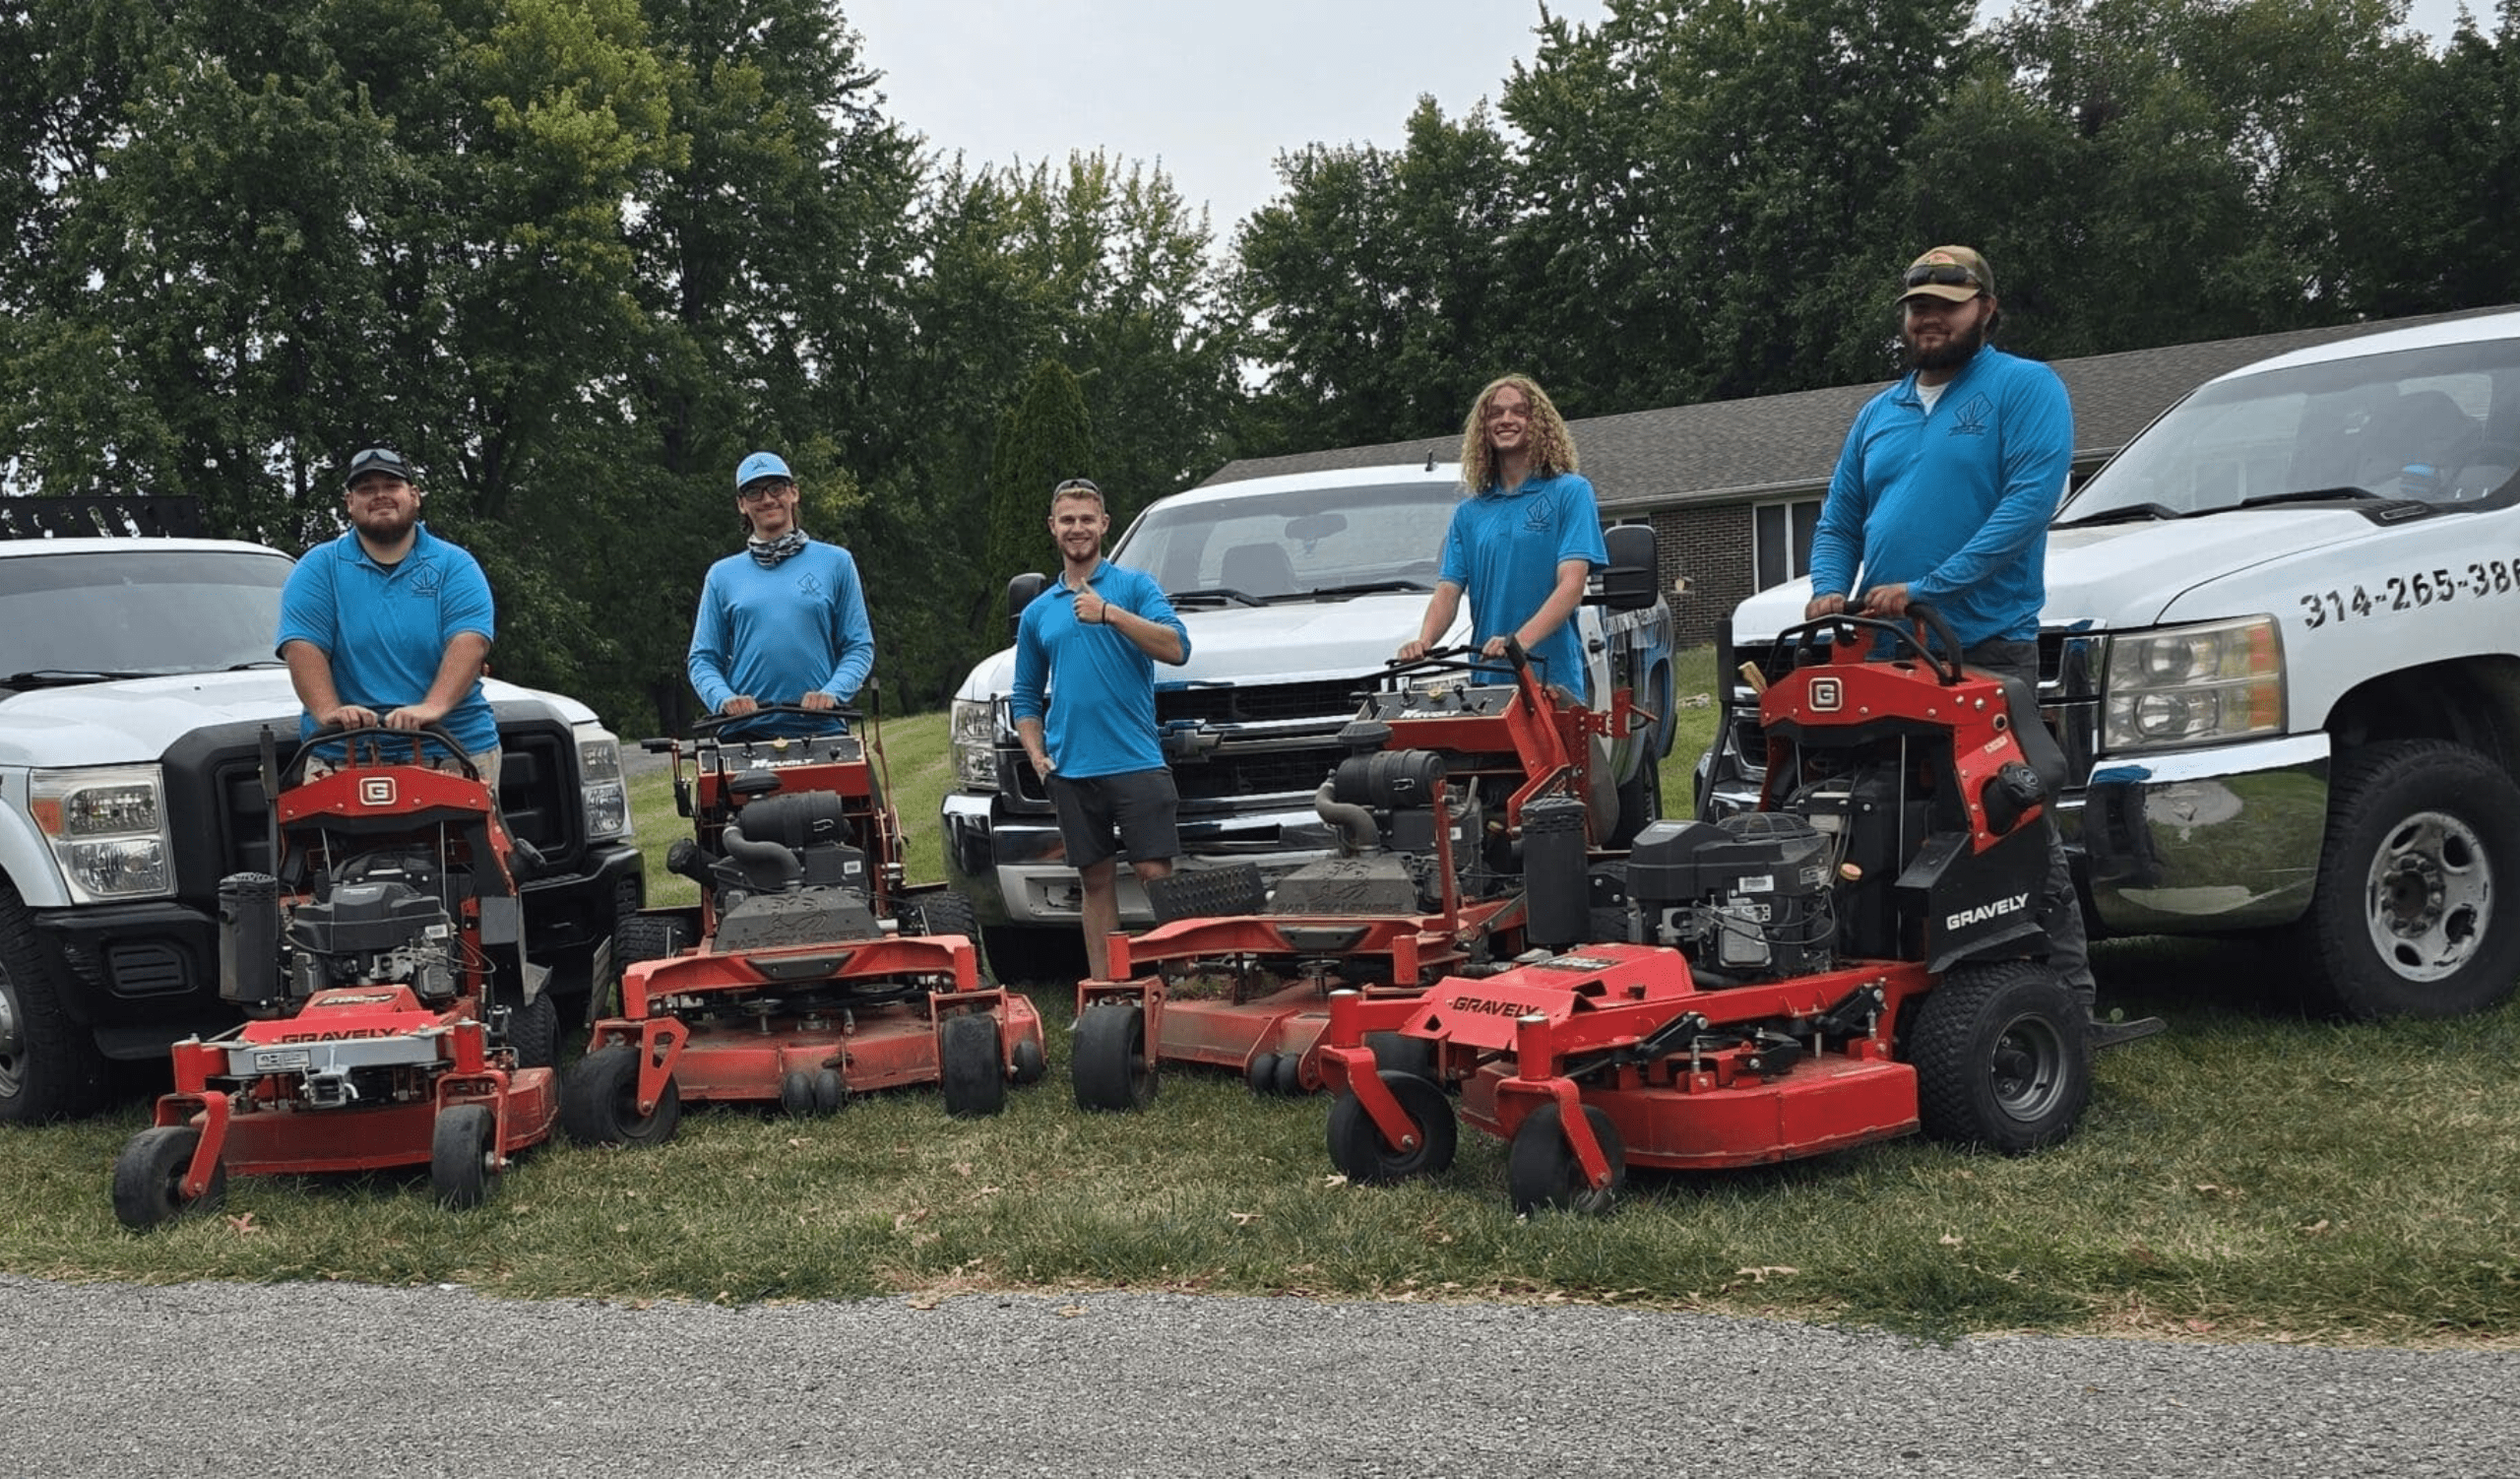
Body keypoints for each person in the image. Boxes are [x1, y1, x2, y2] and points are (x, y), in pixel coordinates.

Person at [1801, 244, 2099, 1017]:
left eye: (1947, 302)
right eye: (1917, 304)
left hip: (1984, 646)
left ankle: (2067, 1000)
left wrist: (1929, 587)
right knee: (1880, 820)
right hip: (1888, 653)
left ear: (1985, 310)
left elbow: (2028, 506)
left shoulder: (2024, 388)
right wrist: (1832, 587)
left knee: (2010, 821)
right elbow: (1839, 519)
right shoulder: (1880, 412)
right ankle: (1905, 992)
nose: (1929, 316)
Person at [1009, 478, 1191, 981]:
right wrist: (1035, 752)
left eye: (1087, 519)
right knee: (1095, 880)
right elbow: (1025, 696)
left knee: (1156, 874)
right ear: (1053, 528)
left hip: (1136, 760)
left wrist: (1108, 614)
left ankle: (1187, 984)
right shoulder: (1039, 612)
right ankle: (1109, 991)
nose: (1077, 528)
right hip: (1072, 769)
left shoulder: (1134, 587)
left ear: (1104, 525)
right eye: (1067, 519)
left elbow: (1177, 647)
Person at [278, 445, 501, 781]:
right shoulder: (318, 568)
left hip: (455, 750)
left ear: (414, 496)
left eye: (391, 486)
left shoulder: (455, 565)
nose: (380, 495)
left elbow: (469, 642)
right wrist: (330, 712)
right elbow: (302, 646)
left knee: (468, 836)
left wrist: (431, 709)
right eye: (366, 489)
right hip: (342, 755)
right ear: (350, 503)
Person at [1398, 374, 1608, 700]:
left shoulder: (1571, 492)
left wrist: (1519, 642)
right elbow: (1448, 591)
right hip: (1489, 685)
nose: (1506, 420)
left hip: (1552, 682)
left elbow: (1571, 586)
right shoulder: (1468, 513)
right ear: (1483, 427)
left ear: (1539, 423)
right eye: (1496, 413)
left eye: (1519, 411)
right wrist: (1425, 641)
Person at [687, 451, 877, 739]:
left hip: (822, 728)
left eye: (776, 487)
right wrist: (724, 699)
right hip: (745, 732)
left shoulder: (836, 562)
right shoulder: (721, 575)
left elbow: (859, 646)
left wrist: (832, 693)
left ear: (794, 493)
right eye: (753, 492)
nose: (766, 499)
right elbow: (702, 659)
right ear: (741, 504)